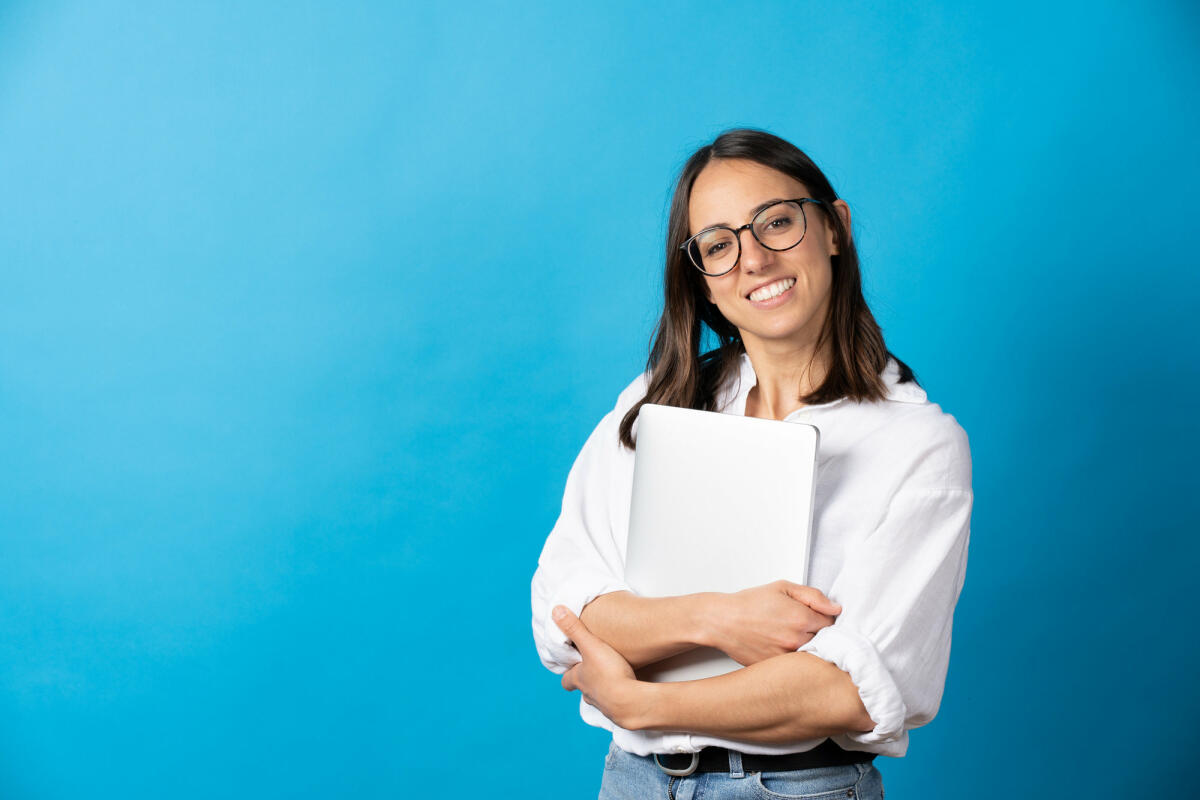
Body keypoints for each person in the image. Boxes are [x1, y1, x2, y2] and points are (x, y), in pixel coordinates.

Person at [530, 129, 972, 800]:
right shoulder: (657, 403)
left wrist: (645, 701)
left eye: (776, 222)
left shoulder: (917, 444)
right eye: (718, 245)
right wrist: (717, 618)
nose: (755, 260)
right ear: (702, 282)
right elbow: (563, 610)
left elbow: (848, 687)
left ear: (834, 228)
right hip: (634, 782)